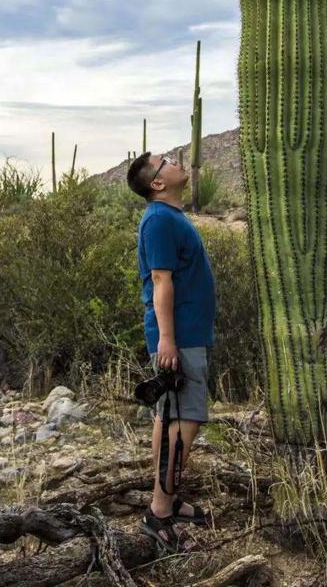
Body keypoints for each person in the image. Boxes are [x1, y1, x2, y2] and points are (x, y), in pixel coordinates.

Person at [127, 151, 217, 554]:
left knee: (171, 417)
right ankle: (159, 514)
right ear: (158, 183)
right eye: (166, 161)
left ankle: (168, 498)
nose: (176, 160)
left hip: (184, 333)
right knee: (186, 421)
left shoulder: (170, 217)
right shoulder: (160, 219)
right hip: (178, 336)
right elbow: (161, 281)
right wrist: (167, 340)